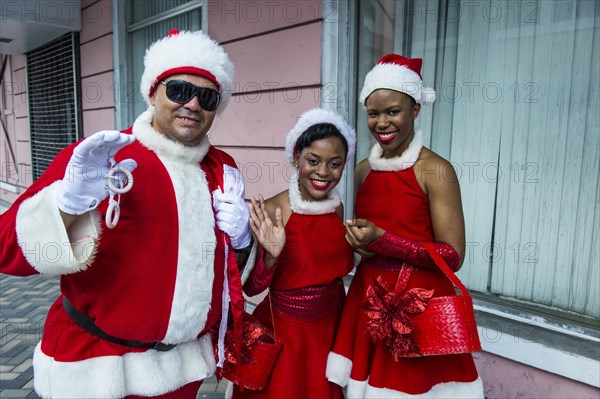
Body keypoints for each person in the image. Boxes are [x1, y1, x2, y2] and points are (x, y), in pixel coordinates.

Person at [0, 29, 255, 399]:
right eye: (179, 90)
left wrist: (243, 242)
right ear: (153, 92)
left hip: (182, 370)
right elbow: (7, 250)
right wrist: (66, 206)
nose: (194, 104)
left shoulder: (222, 169)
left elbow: (230, 274)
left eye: (208, 96)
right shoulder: (100, 156)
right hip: (98, 370)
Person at [326, 54, 484, 398]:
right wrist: (361, 244)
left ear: (415, 109)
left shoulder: (435, 170)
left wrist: (384, 241)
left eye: (393, 111)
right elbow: (368, 239)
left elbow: (453, 255)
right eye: (373, 113)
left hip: (419, 308)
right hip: (367, 302)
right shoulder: (363, 169)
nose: (382, 122)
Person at [229, 109, 356, 399]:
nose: (323, 172)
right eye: (313, 161)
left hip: (331, 329)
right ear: (296, 157)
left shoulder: (336, 207)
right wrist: (271, 257)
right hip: (287, 336)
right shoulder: (273, 210)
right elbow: (251, 287)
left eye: (334, 164)